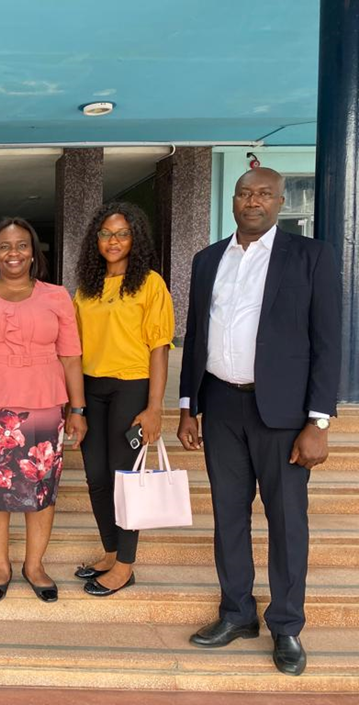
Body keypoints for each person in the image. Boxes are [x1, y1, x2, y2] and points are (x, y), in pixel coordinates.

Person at [178, 168, 341, 676]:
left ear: (280, 201)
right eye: (245, 193)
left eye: (265, 194)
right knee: (228, 514)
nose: (254, 201)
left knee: (287, 519)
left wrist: (319, 421)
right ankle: (237, 613)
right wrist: (187, 405)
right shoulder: (208, 260)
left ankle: (286, 625)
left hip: (284, 413)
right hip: (221, 405)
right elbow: (196, 334)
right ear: (233, 200)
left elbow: (328, 341)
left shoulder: (311, 256)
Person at [0, 217, 86, 603]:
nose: (14, 253)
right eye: (5, 246)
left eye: (22, 245)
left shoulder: (57, 296)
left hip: (44, 403)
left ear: (33, 252)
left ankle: (34, 565)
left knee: (41, 486)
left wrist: (77, 409)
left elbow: (71, 356)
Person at [72, 202, 174, 596]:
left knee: (125, 479)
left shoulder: (149, 284)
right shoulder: (87, 288)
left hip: (131, 387)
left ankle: (125, 566)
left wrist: (154, 407)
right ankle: (111, 552)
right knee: (97, 477)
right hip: (91, 388)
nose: (113, 241)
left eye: (122, 234)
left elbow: (159, 348)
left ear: (135, 238)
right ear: (95, 240)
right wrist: (73, 403)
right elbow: (74, 350)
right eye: (106, 234)